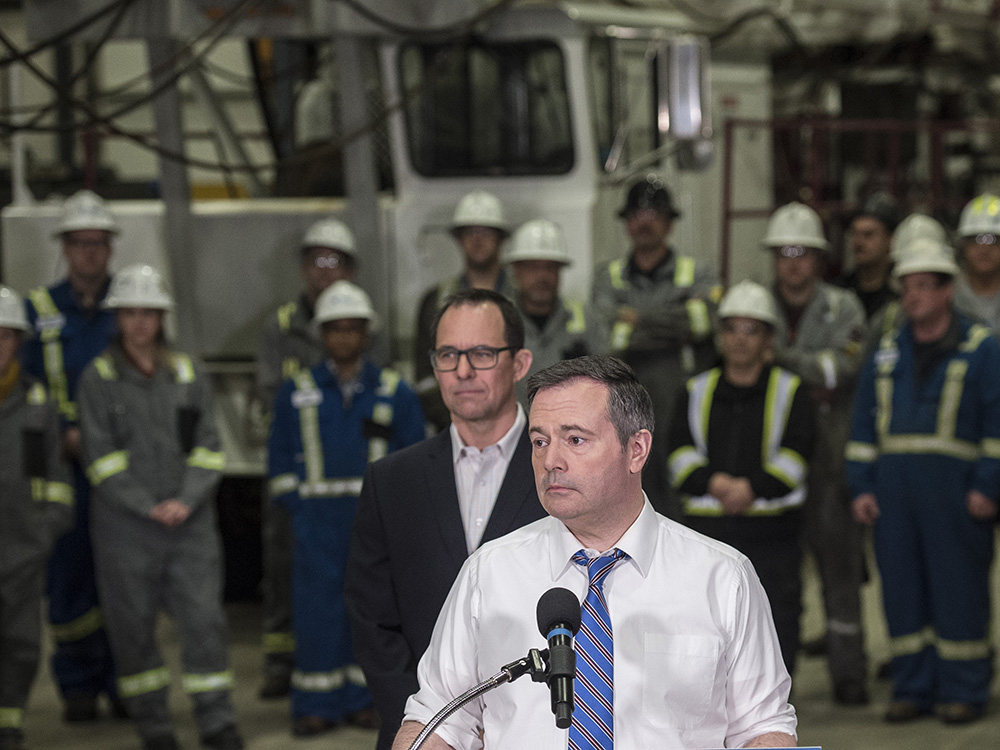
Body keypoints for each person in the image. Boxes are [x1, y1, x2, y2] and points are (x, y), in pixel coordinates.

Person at [394, 356, 797, 750]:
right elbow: (438, 721)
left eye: (575, 439)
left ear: (636, 449)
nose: (551, 460)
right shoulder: (489, 573)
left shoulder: (723, 578)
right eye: (539, 441)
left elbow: (762, 728)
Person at [345, 289, 546, 750]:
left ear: (519, 364)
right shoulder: (391, 480)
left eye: (481, 353)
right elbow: (371, 617)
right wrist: (426, 723)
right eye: (448, 355)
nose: (462, 371)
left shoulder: (559, 475)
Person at [76, 265, 243, 750]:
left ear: (162, 317)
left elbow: (210, 448)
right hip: (125, 530)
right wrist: (149, 506)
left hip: (189, 526)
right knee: (132, 628)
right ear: (117, 318)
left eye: (148, 312)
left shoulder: (187, 374)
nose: (140, 323)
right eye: (129, 313)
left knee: (204, 622)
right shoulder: (99, 379)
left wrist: (184, 500)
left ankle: (217, 721)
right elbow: (100, 458)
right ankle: (154, 727)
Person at [846, 237, 1000, 725]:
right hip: (894, 494)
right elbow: (863, 425)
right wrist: (862, 486)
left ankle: (965, 689)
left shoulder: (982, 348)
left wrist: (988, 486)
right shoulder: (886, 352)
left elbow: (997, 425)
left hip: (955, 494)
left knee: (959, 591)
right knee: (902, 591)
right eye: (906, 288)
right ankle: (913, 687)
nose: (912, 297)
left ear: (947, 290)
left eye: (923, 287)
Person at [267, 281, 425, 736]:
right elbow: (279, 459)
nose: (343, 338)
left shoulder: (395, 391)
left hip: (374, 521)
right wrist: (297, 508)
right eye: (334, 329)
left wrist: (397, 516)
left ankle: (365, 700)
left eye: (352, 329)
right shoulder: (295, 390)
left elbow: (413, 457)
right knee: (316, 610)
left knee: (373, 612)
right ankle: (315, 703)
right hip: (316, 522)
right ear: (321, 335)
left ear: (367, 334)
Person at [668, 281, 816, 676]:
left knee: (776, 624)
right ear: (719, 336)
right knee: (704, 627)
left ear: (769, 338)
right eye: (731, 328)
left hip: (773, 534)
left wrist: (751, 489)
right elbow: (678, 453)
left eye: (751, 330)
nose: (739, 339)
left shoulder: (792, 390)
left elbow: (798, 455)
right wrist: (716, 485)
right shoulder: (696, 389)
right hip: (706, 531)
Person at [255, 215, 376, 699]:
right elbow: (269, 395)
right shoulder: (280, 325)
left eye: (335, 261)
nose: (325, 270)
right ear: (304, 268)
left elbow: (374, 385)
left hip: (349, 482)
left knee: (350, 586)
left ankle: (349, 682)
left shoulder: (365, 319)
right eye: (317, 260)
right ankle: (281, 661)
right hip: (302, 473)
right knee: (286, 570)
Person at [763, 201, 870, 705]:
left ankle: (850, 676)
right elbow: (753, 371)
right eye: (784, 252)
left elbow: (840, 372)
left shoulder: (843, 307)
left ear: (820, 258)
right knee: (778, 578)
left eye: (803, 252)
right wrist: (811, 372)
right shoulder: (757, 304)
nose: (793, 262)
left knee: (839, 571)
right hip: (771, 459)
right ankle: (773, 684)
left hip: (830, 460)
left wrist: (780, 361)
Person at [21, 189, 120, 721]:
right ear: (64, 247)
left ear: (110, 249)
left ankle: (126, 683)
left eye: (98, 243)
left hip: (121, 469)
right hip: (64, 469)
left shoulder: (128, 308)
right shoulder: (38, 311)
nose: (89, 253)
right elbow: (27, 391)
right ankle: (79, 685)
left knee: (124, 578)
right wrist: (64, 433)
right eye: (80, 243)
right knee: (69, 573)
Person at [592, 174, 722, 519]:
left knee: (686, 498)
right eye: (637, 215)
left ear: (669, 223)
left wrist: (635, 320)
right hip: (623, 408)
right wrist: (677, 317)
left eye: (654, 214)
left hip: (684, 404)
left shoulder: (699, 272)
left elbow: (705, 322)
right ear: (626, 224)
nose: (645, 223)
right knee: (629, 498)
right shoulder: (607, 277)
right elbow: (605, 335)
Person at [0, 286, 74, 750]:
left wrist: (43, 533)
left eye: (5, 337)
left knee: (20, 641)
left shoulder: (36, 403)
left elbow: (57, 479)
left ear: (19, 343)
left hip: (21, 549)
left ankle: (8, 721)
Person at [413, 191, 517, 432]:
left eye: (486, 232)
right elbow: (425, 376)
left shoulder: (521, 299)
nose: (477, 240)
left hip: (515, 429)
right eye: (470, 233)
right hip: (455, 429)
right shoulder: (436, 300)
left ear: (501, 239)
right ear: (458, 239)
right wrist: (456, 419)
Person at [505, 218, 608, 403]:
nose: (542, 276)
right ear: (516, 271)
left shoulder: (587, 320)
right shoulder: (498, 321)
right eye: (533, 267)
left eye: (550, 267)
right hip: (512, 429)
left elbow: (608, 385)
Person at [835, 192, 901, 320]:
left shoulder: (902, 294)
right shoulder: (839, 292)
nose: (858, 243)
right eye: (855, 234)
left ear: (890, 239)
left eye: (868, 235)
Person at [953, 193, 1000, 331]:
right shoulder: (948, 296)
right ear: (963, 246)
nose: (984, 249)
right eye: (975, 239)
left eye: (993, 239)